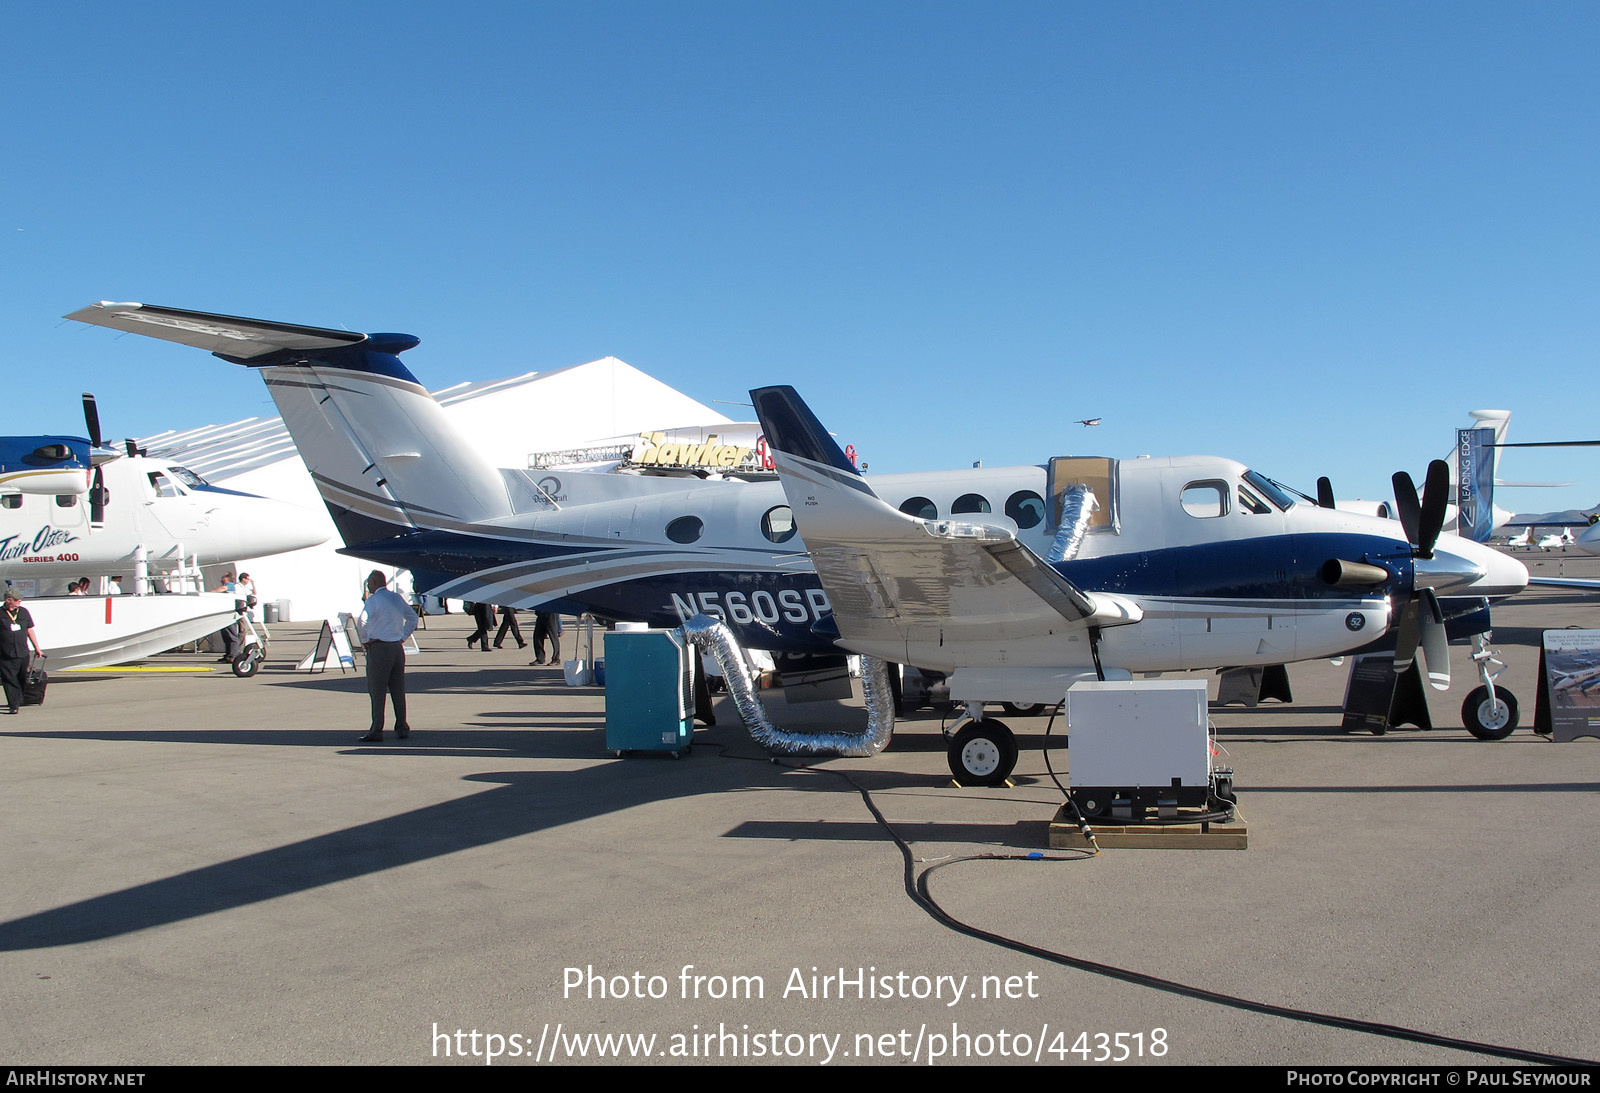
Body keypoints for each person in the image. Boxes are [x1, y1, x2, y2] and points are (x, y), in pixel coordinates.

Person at [355, 570, 419, 743]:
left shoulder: (374, 600)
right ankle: (402, 726)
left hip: (379, 647)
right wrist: (402, 636)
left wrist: (365, 639)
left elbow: (362, 621)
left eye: (369, 582)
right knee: (398, 689)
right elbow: (413, 618)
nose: (368, 585)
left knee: (377, 690)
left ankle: (377, 729)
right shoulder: (396, 598)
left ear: (374, 582)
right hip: (396, 647)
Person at [1, 589, 45, 714]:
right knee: (9, 679)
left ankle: (19, 699)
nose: (19, 601)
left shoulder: (24, 612)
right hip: (5, 653)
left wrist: (37, 647)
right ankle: (14, 704)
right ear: (8, 600)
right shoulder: (1, 613)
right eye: (16, 599)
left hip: (22, 652)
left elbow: (30, 630)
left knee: (21, 677)